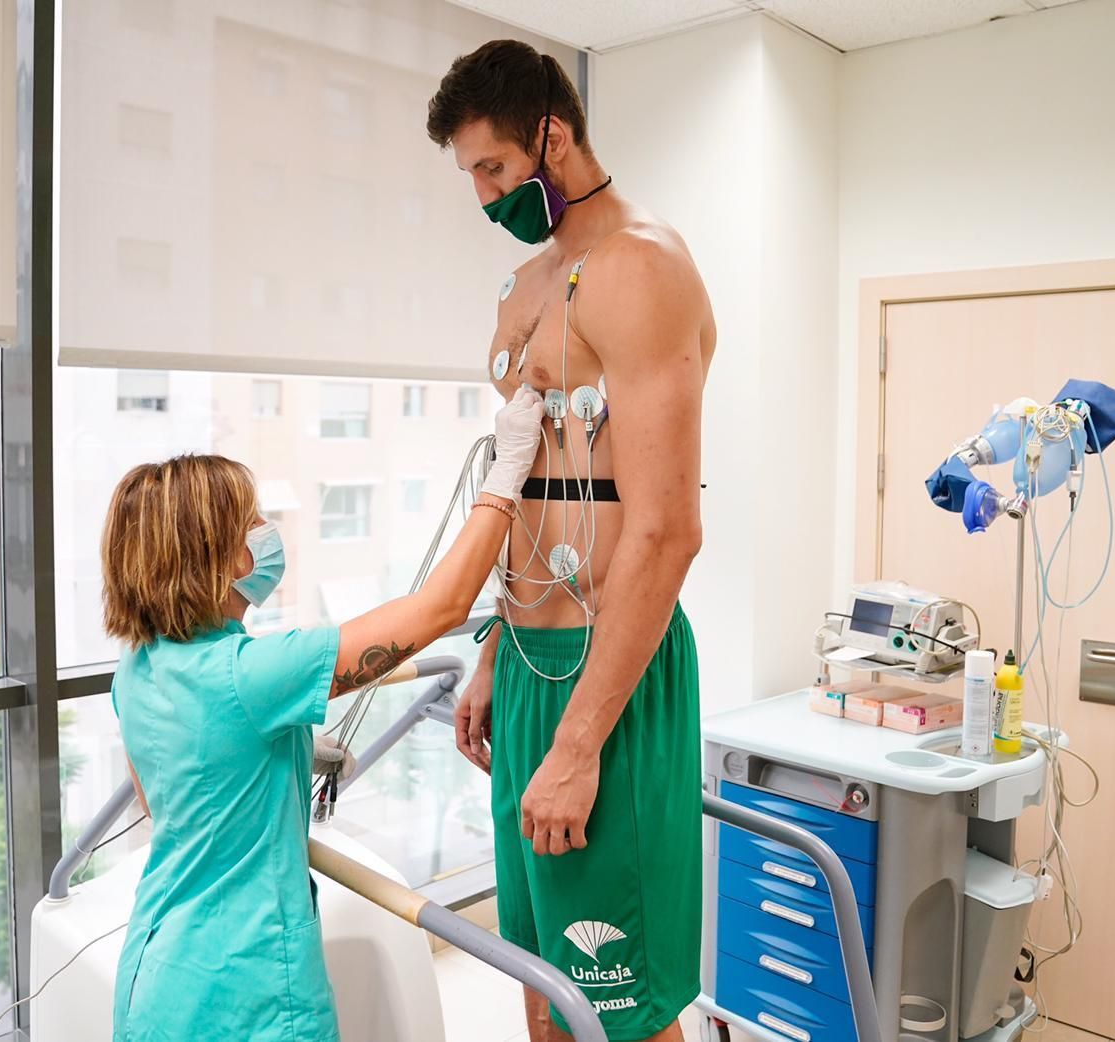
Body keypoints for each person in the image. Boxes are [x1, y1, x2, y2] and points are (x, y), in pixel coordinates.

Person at [427, 40, 717, 1042]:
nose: (484, 197)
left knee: (618, 1001)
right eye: (470, 174)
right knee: (544, 979)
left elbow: (667, 529)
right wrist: (494, 651)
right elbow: (532, 484)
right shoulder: (528, 285)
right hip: (528, 659)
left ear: (552, 136)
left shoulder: (641, 269)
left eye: (495, 168)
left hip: (610, 672)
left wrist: (581, 739)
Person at [104, 388, 544, 1042]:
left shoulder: (139, 668)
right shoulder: (251, 672)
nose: (267, 532)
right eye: (252, 521)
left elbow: (172, 796)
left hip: (156, 974)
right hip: (242, 992)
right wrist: (508, 473)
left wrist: (284, 749)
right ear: (216, 554)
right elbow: (441, 609)